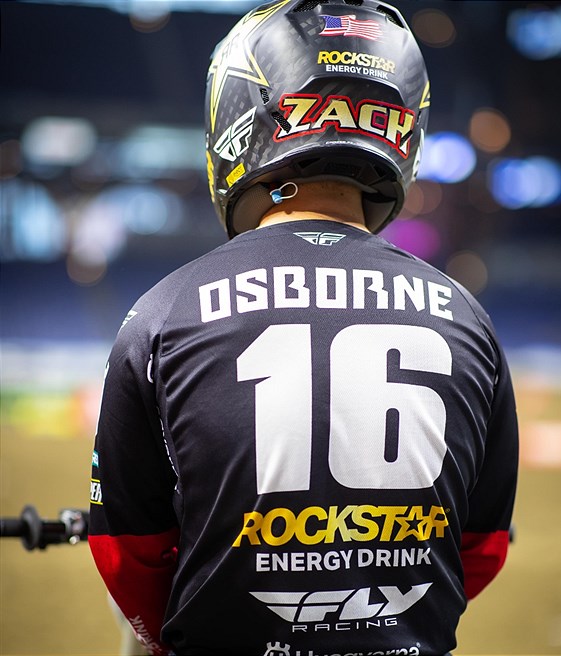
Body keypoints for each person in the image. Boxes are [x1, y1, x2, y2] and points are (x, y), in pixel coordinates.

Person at [88, 1, 519, 655]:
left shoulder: (162, 311)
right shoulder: (468, 318)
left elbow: (126, 550)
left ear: (240, 114)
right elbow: (481, 549)